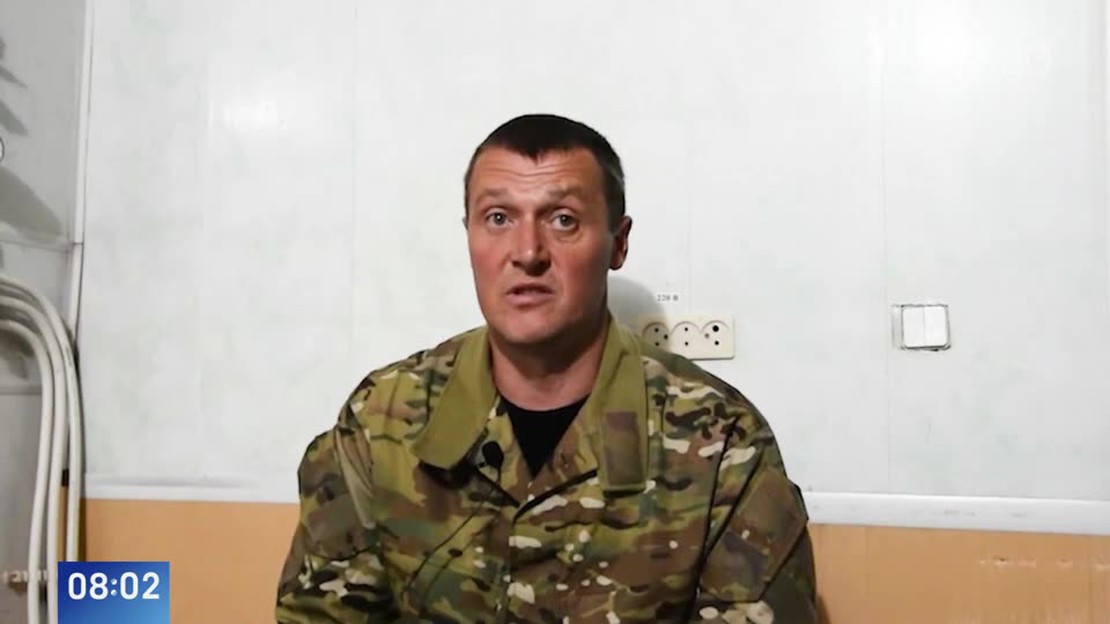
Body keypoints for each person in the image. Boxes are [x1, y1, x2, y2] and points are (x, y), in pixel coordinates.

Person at [274, 114, 817, 623]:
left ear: (618, 243)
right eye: (498, 218)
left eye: (563, 220)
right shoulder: (382, 421)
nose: (527, 252)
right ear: (469, 235)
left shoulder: (720, 442)